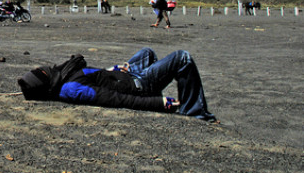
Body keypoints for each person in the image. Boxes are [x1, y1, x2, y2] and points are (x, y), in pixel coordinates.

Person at [17, 47, 217, 122]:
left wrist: (113, 70)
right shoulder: (71, 89)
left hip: (123, 77)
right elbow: (113, 99)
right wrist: (157, 102)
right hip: (138, 86)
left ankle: (143, 76)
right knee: (182, 58)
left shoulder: (63, 75)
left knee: (146, 53)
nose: (45, 68)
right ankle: (195, 112)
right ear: (45, 82)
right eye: (42, 73)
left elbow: (93, 75)